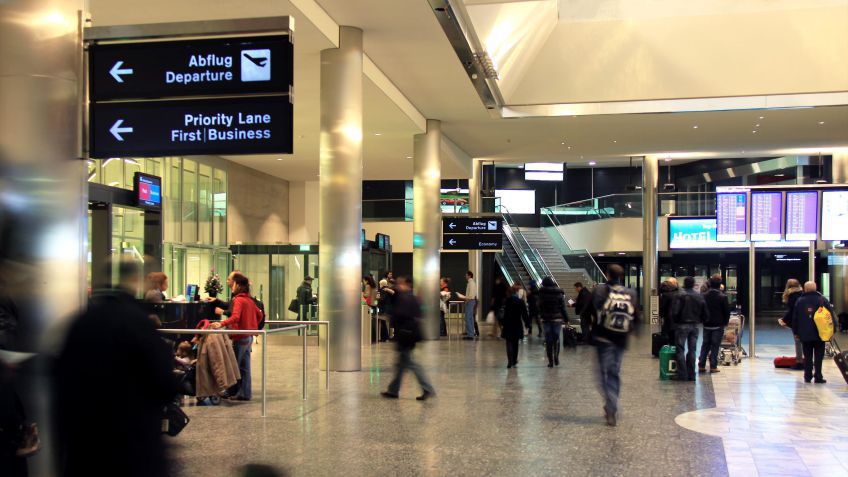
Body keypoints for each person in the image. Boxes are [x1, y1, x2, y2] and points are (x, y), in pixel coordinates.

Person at [55, 260, 176, 476]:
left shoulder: (82, 322)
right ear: (134, 281)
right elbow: (164, 383)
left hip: (87, 445)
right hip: (133, 442)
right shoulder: (139, 323)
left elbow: (62, 385)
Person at [591, 264, 640, 427]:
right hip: (621, 338)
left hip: (603, 337)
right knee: (614, 372)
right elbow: (635, 314)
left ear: (607, 274)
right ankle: (612, 406)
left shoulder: (600, 290)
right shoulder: (631, 292)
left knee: (602, 373)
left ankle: (611, 406)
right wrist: (636, 331)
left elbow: (592, 309)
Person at [381, 277, 436, 400]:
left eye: (400, 284)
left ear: (406, 285)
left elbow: (400, 315)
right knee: (401, 364)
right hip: (409, 335)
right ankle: (393, 390)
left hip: (405, 335)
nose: (398, 286)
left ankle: (427, 388)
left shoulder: (405, 298)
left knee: (411, 363)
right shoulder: (411, 297)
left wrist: (392, 319)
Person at [211, 273, 261, 400]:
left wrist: (221, 323)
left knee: (233, 366)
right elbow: (259, 315)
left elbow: (235, 317)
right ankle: (245, 393)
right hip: (248, 337)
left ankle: (229, 391)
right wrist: (252, 325)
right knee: (245, 367)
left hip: (240, 337)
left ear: (237, 285)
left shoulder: (238, 300)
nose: (231, 285)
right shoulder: (249, 300)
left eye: (232, 283)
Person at [791, 281, 836, 384]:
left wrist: (796, 333)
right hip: (820, 333)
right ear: (815, 288)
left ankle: (807, 376)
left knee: (807, 356)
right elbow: (830, 317)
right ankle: (818, 376)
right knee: (819, 356)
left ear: (805, 289)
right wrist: (833, 331)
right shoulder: (822, 300)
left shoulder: (800, 301)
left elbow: (795, 318)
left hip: (805, 334)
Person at [671, 276, 709, 382]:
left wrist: (676, 321)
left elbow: (675, 312)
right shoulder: (699, 296)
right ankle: (691, 374)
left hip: (682, 325)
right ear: (693, 284)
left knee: (680, 349)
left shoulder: (679, 295)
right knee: (692, 350)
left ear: (684, 283)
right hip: (694, 325)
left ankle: (682, 375)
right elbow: (705, 313)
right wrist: (700, 320)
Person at [699, 274, 730, 373]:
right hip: (718, 324)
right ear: (720, 284)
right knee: (715, 345)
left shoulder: (703, 295)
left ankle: (701, 365)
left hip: (707, 324)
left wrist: (703, 320)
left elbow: (701, 310)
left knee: (705, 345)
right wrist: (725, 322)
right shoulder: (723, 296)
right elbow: (726, 312)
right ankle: (713, 366)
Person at [538, 277, 567, 367]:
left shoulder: (541, 293)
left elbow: (539, 306)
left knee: (548, 340)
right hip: (557, 319)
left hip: (546, 319)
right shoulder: (559, 293)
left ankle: (550, 362)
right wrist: (566, 318)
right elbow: (562, 307)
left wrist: (541, 314)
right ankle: (556, 356)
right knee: (556, 338)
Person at [778, 278, 804, 367]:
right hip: (804, 320)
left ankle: (799, 361)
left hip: (797, 321)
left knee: (798, 341)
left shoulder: (793, 295)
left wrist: (784, 320)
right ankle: (805, 360)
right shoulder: (802, 293)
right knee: (803, 341)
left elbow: (793, 310)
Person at [502, 284, 528, 368]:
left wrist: (502, 323)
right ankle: (514, 360)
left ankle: (509, 361)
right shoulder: (520, 301)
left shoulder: (506, 301)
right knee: (515, 342)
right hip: (517, 324)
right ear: (516, 292)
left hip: (508, 324)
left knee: (509, 342)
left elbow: (504, 313)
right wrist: (527, 323)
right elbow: (524, 314)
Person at [456, 271, 478, 341]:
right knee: (470, 318)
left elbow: (471, 295)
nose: (465, 277)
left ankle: (470, 335)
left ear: (469, 276)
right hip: (471, 301)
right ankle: (471, 334)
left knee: (468, 318)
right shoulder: (471, 283)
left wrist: (465, 299)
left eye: (466, 275)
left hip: (470, 301)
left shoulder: (471, 283)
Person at [659, 277, 680, 345]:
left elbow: (663, 307)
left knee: (669, 337)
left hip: (669, 320)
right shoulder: (680, 292)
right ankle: (677, 353)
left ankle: (670, 351)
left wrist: (661, 316)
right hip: (679, 320)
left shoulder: (666, 295)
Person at [363, 276, 379, 342]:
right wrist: (375, 303)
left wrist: (363, 294)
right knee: (373, 321)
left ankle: (370, 338)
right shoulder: (374, 287)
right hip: (374, 306)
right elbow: (376, 298)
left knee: (369, 322)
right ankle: (374, 338)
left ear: (366, 280)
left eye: (364, 280)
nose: (363, 282)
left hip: (369, 306)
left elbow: (367, 295)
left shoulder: (367, 286)